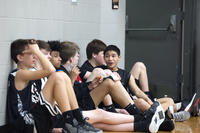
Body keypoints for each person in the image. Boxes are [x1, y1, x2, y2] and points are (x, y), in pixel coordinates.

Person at [43, 40, 167, 132]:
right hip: (75, 109)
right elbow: (69, 95)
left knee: (106, 106)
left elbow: (73, 92)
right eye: (77, 56)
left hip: (78, 106)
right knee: (103, 111)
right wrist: (87, 85)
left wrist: (90, 86)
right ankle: (145, 118)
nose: (78, 58)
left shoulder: (69, 71)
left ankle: (146, 120)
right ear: (70, 59)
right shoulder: (62, 74)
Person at [4, 39, 102, 133]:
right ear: (20, 57)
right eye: (31, 53)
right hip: (26, 124)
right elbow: (51, 70)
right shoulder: (19, 74)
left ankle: (77, 119)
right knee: (58, 76)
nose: (35, 56)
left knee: (62, 75)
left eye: (35, 53)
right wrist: (37, 51)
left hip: (36, 120)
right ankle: (69, 122)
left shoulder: (30, 73)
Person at [102, 45, 190, 122]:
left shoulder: (126, 74)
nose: (110, 59)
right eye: (107, 56)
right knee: (140, 102)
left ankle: (165, 115)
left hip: (132, 100)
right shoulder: (102, 71)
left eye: (113, 56)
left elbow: (137, 91)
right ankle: (170, 115)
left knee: (169, 100)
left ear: (119, 58)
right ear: (104, 58)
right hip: (123, 104)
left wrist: (149, 101)